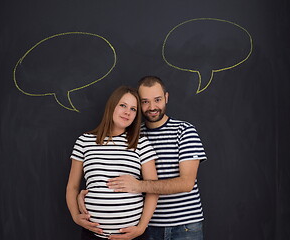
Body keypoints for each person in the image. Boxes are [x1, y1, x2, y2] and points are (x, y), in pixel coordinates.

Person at [79, 76, 207, 240]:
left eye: (158, 100)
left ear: (166, 98)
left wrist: (139, 185)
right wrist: (88, 195)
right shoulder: (133, 134)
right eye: (145, 101)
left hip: (184, 226)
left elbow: (186, 183)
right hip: (147, 225)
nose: (152, 107)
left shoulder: (184, 131)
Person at [66, 86, 158, 240]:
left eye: (133, 109)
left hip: (133, 235)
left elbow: (153, 189)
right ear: (112, 106)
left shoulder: (141, 143)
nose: (127, 112)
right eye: (123, 105)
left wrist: (141, 228)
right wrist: (76, 216)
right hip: (93, 235)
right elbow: (72, 186)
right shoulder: (84, 141)